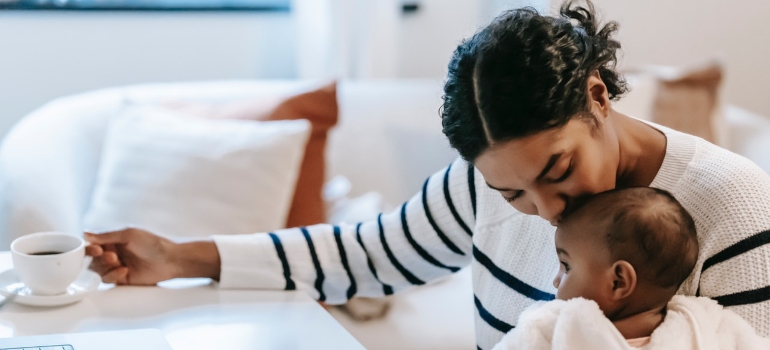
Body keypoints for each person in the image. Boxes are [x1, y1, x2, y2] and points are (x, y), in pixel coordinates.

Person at [85, 1, 770, 349]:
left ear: (597, 96)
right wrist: (178, 256)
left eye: (557, 170)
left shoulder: (732, 205)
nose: (545, 211)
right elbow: (369, 253)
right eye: (512, 193)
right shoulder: (483, 189)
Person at [493, 187, 770, 349]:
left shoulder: (703, 326)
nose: (556, 280)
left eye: (566, 266)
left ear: (619, 281)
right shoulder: (549, 329)